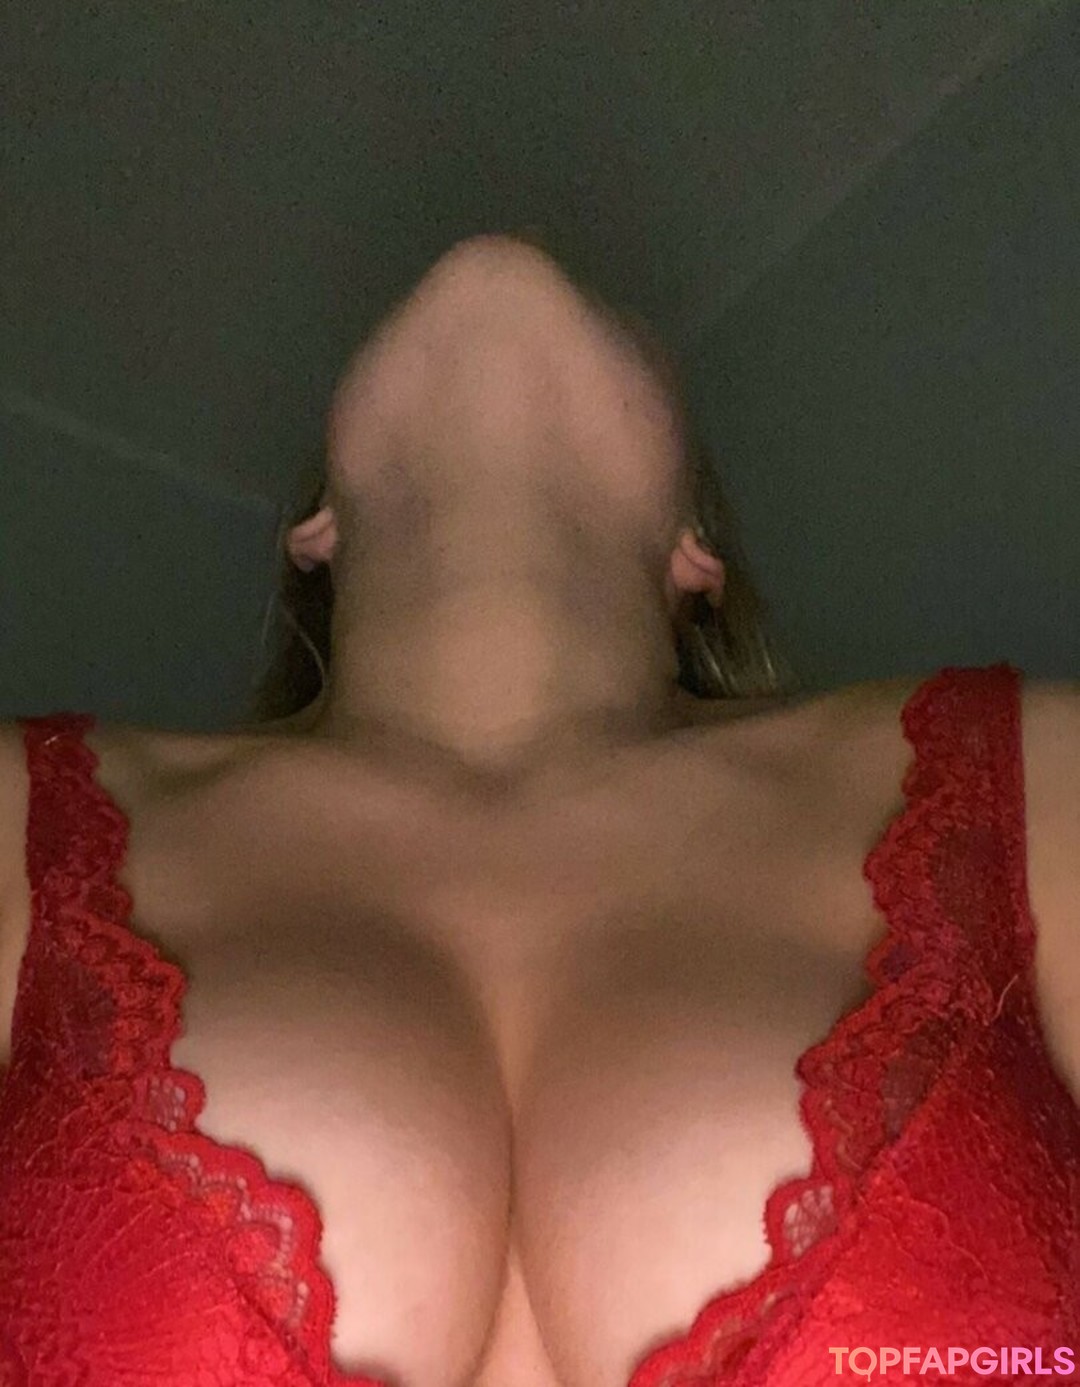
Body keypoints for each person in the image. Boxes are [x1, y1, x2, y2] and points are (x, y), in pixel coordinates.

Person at [0, 231, 1077, 1387]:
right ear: (314, 534)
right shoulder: (18, 819)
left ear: (696, 554)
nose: (500, 258)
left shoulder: (1035, 784)